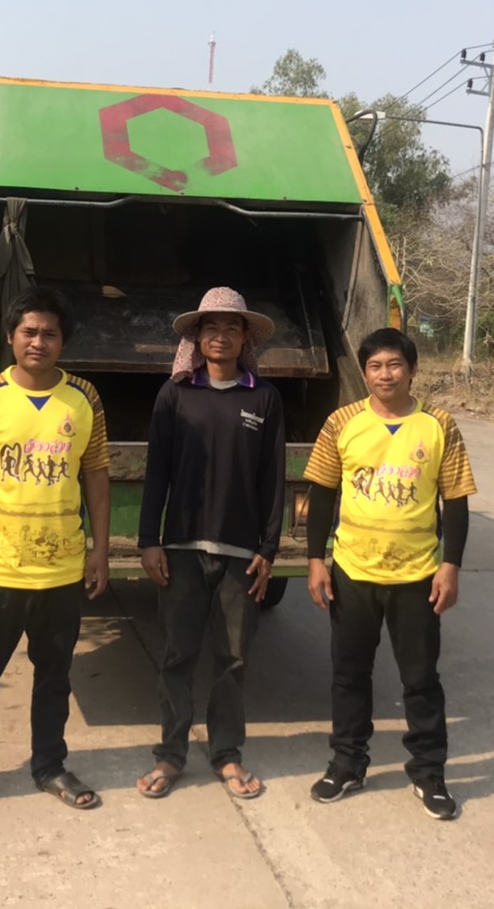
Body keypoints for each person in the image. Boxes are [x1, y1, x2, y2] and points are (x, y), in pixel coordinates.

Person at [0, 286, 111, 821]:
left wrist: (100, 550)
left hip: (61, 569)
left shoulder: (84, 398)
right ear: (10, 336)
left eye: (49, 333)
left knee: (54, 676)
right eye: (28, 331)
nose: (38, 341)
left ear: (63, 341)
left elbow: (96, 477)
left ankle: (50, 766)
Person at [302, 328, 477, 820]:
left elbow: (456, 500)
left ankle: (428, 772)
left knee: (421, 679)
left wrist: (451, 565)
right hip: (353, 571)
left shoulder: (439, 425)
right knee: (349, 675)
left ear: (412, 370)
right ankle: (347, 764)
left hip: (418, 574)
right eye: (376, 366)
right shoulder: (341, 423)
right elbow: (322, 494)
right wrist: (316, 560)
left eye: (395, 365)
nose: (386, 374)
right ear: (365, 372)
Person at [134, 287, 286, 801]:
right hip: (180, 547)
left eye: (231, 328)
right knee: (177, 656)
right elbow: (158, 471)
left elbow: (273, 479)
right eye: (211, 328)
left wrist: (269, 547)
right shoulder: (175, 394)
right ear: (197, 339)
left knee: (233, 660)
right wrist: (149, 540)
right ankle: (170, 754)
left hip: (242, 553)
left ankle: (227, 754)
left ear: (246, 339)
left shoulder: (263, 398)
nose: (220, 337)